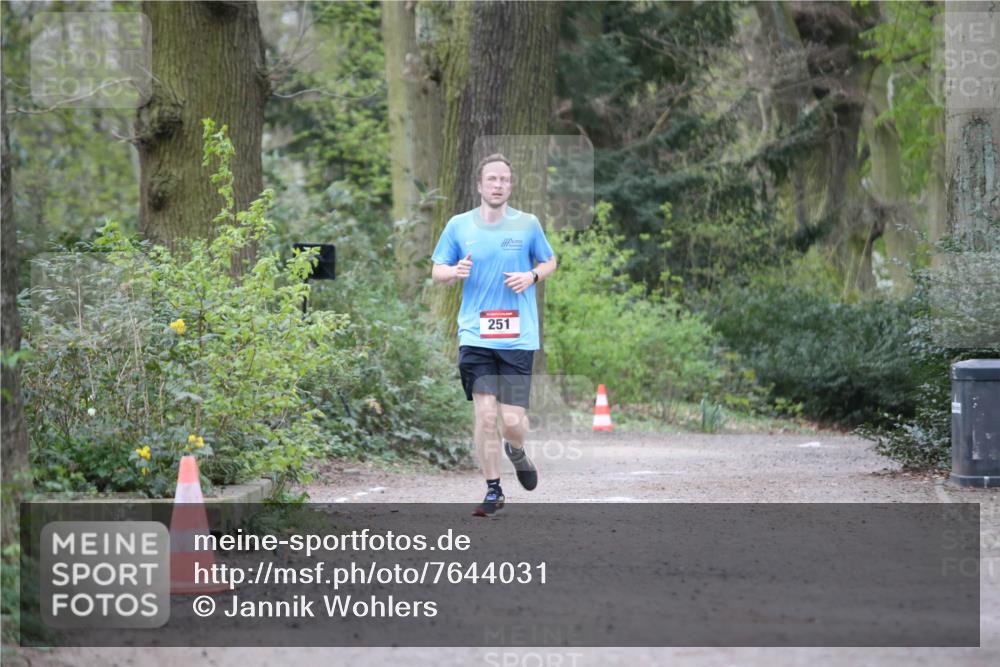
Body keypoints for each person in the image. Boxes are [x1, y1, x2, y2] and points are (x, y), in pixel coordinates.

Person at [431, 153, 558, 517]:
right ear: (479, 185)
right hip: (476, 335)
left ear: (511, 185)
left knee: (512, 423)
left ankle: (516, 451)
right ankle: (493, 489)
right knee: (486, 417)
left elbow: (549, 261)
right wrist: (454, 271)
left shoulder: (527, 224)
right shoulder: (458, 225)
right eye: (492, 180)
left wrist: (532, 276)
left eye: (504, 180)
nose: (498, 185)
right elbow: (437, 270)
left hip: (518, 338)